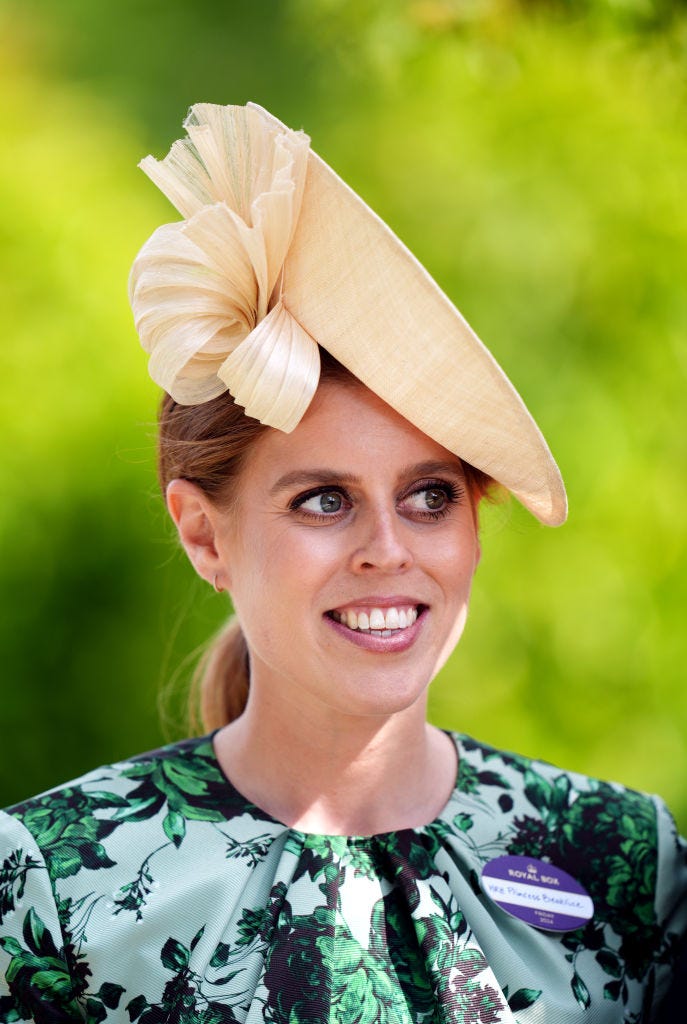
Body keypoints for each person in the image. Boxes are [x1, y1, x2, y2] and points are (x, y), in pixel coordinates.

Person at [0, 103, 684, 1024]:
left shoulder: (624, 860)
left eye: (430, 496)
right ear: (205, 535)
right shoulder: (53, 883)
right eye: (323, 500)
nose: (388, 550)